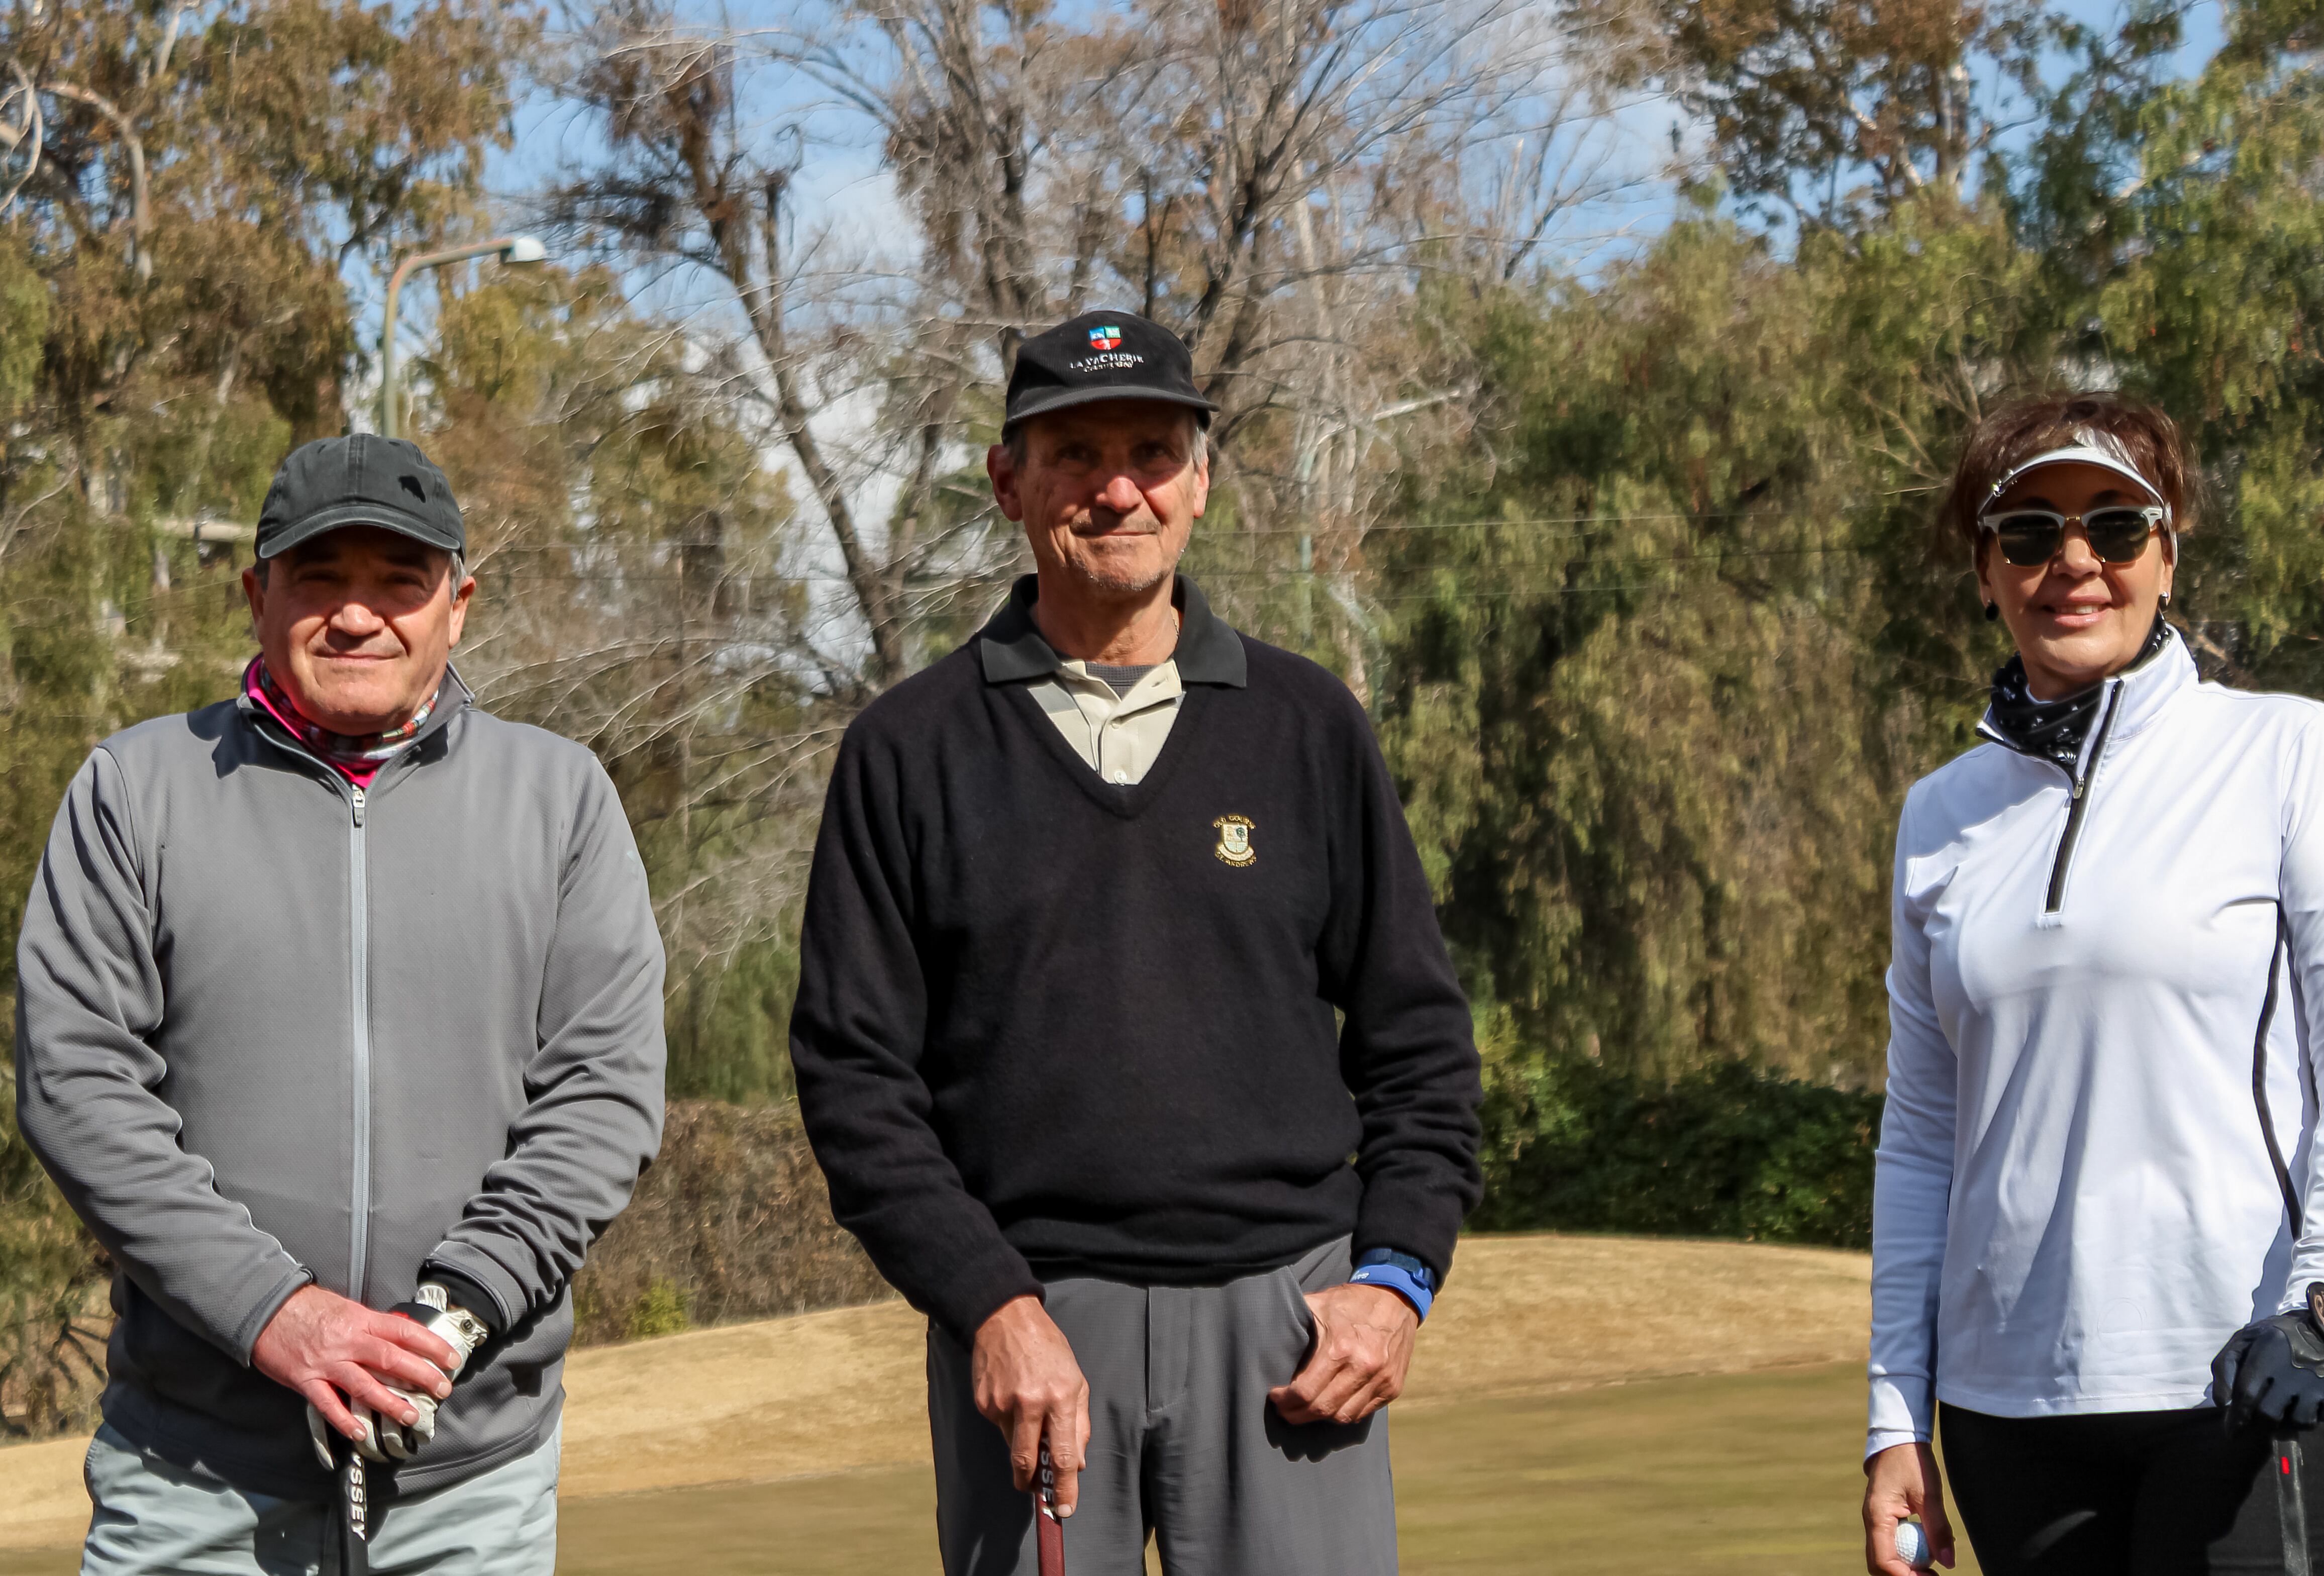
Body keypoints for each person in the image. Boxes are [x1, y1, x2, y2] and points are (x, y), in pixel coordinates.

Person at [788, 309, 1485, 1576]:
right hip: (1032, 1334)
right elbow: (854, 1082)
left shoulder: (1310, 725)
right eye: (1075, 453)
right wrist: (990, 1304)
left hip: (1289, 1325)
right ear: (1010, 480)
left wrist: (1395, 1278)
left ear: (1201, 480)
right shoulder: (908, 750)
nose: (1119, 488)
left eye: (1153, 451)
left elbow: (1420, 1042)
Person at [14, 434, 668, 1575]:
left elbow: (603, 1097)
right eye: (320, 575)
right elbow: (80, 1089)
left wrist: (452, 1314)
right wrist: (277, 1311)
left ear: (456, 605)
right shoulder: (134, 789)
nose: (358, 614)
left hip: (470, 1479)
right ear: (256, 593)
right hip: (192, 1476)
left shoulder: (561, 800)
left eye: (398, 580)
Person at [1862, 392, 2324, 1576]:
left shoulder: (2289, 751)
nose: (2074, 563)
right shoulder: (1940, 815)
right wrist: (1895, 1415)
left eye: (2117, 526)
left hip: (2250, 1377)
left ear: (2168, 554)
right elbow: (1922, 1137)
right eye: (2028, 531)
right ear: (1986, 571)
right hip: (2009, 1412)